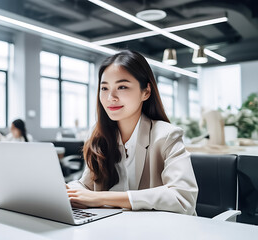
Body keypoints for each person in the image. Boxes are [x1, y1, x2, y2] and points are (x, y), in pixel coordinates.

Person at [67, 50, 198, 215]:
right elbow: (86, 186)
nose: (110, 97)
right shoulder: (99, 135)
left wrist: (102, 198)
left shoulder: (166, 136)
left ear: (146, 92)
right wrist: (67, 190)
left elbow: (183, 198)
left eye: (122, 87)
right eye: (104, 88)